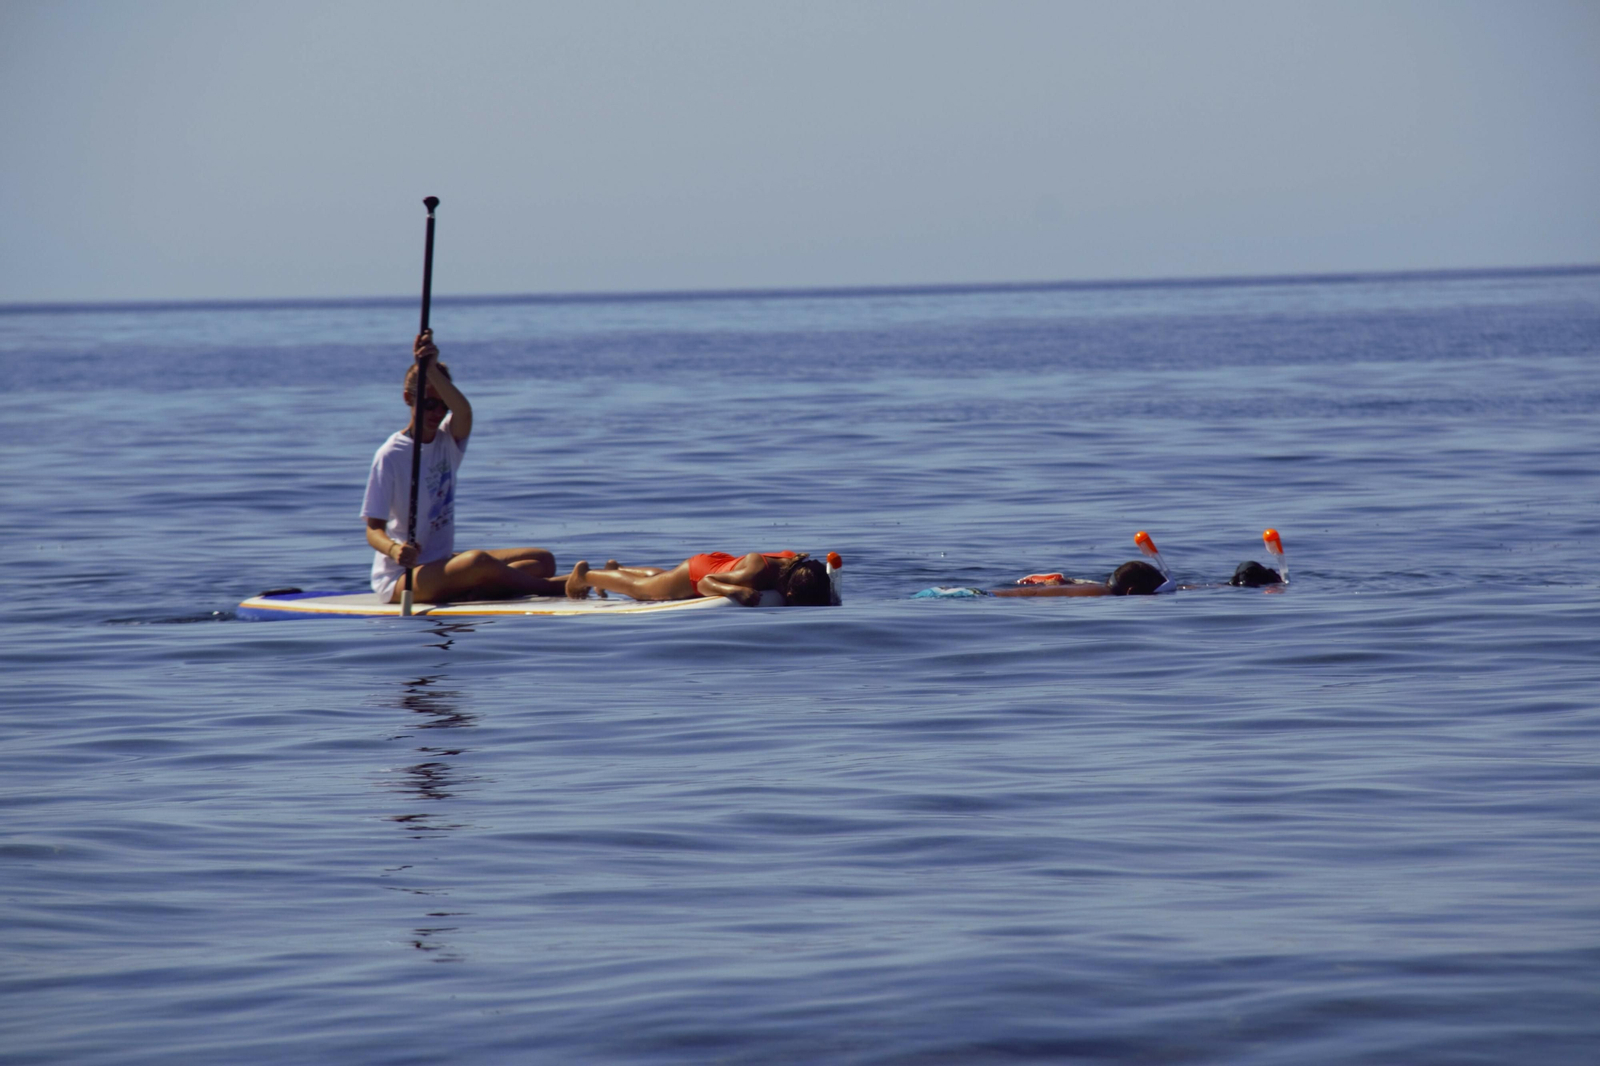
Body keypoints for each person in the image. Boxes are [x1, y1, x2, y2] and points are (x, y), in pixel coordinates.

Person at [361, 330, 565, 603]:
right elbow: (373, 530)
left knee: (542, 560)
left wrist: (431, 368)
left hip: (444, 562)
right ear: (408, 399)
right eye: (429, 403)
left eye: (442, 406)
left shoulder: (448, 440)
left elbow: (464, 411)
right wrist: (395, 550)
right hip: (402, 576)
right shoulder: (390, 454)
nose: (436, 413)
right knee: (477, 562)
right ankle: (552, 588)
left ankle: (480, 588)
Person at [565, 551, 833, 607]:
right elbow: (706, 583)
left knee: (662, 578)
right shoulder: (754, 577)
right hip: (700, 573)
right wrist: (736, 593)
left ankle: (617, 568)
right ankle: (584, 576)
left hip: (721, 563)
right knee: (643, 590)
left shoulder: (794, 562)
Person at [989, 560, 1170, 598]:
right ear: (1132, 591)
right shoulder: (1102, 595)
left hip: (988, 595)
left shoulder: (1099, 587)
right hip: (990, 598)